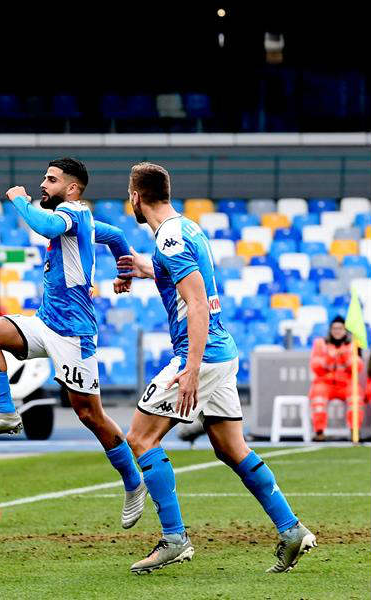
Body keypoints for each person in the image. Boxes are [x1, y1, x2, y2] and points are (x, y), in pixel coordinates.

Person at [116, 162, 315, 574]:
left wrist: (189, 369)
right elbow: (191, 281)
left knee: (139, 438)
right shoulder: (185, 229)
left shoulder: (169, 238)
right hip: (223, 354)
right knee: (230, 447)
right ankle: (291, 529)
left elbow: (198, 303)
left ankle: (174, 538)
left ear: (136, 196)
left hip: (200, 354)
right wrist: (143, 268)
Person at [0, 157, 147, 530]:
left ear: (72, 188)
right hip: (45, 322)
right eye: (42, 179)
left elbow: (45, 225)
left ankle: (133, 482)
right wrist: (124, 271)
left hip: (73, 333)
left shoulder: (72, 212)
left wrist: (19, 199)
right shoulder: (81, 220)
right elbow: (115, 236)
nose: (42, 185)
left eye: (50, 180)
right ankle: (6, 413)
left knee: (88, 415)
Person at [309, 316, 365, 440]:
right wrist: (330, 357)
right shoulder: (321, 344)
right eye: (334, 328)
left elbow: (358, 367)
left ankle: (354, 431)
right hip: (325, 382)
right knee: (318, 397)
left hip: (346, 383)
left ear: (345, 330)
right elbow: (315, 366)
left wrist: (345, 356)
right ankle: (319, 432)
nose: (337, 331)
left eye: (340, 328)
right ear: (330, 330)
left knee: (355, 396)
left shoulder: (352, 345)